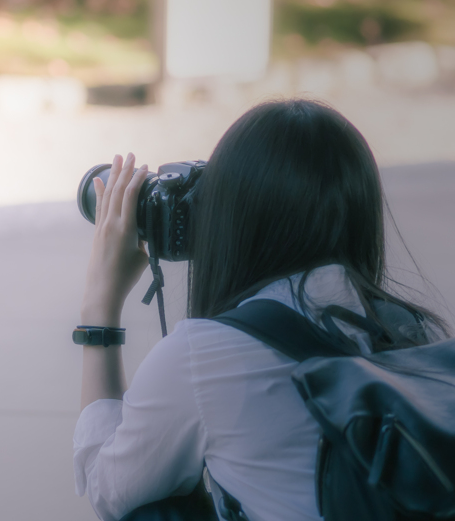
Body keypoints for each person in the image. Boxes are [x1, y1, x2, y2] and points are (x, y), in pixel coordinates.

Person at [73, 99, 448, 520]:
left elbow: (109, 490)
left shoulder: (205, 355)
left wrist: (99, 304)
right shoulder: (412, 333)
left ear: (230, 219)